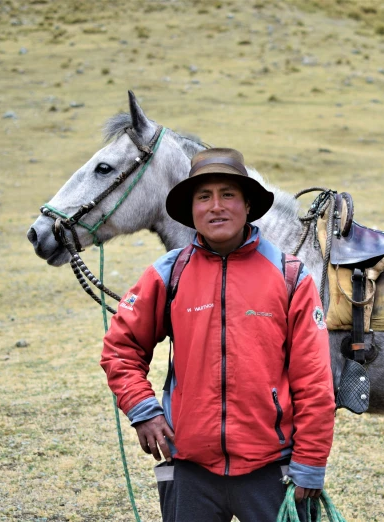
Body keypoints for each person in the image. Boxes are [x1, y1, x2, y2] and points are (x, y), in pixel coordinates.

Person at [100, 147, 335, 521]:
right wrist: (142, 410)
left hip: (272, 468)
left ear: (247, 205)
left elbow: (315, 380)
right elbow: (120, 349)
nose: (216, 206)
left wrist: (310, 460)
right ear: (191, 209)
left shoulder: (291, 277)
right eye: (204, 197)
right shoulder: (168, 274)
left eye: (228, 194)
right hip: (191, 468)